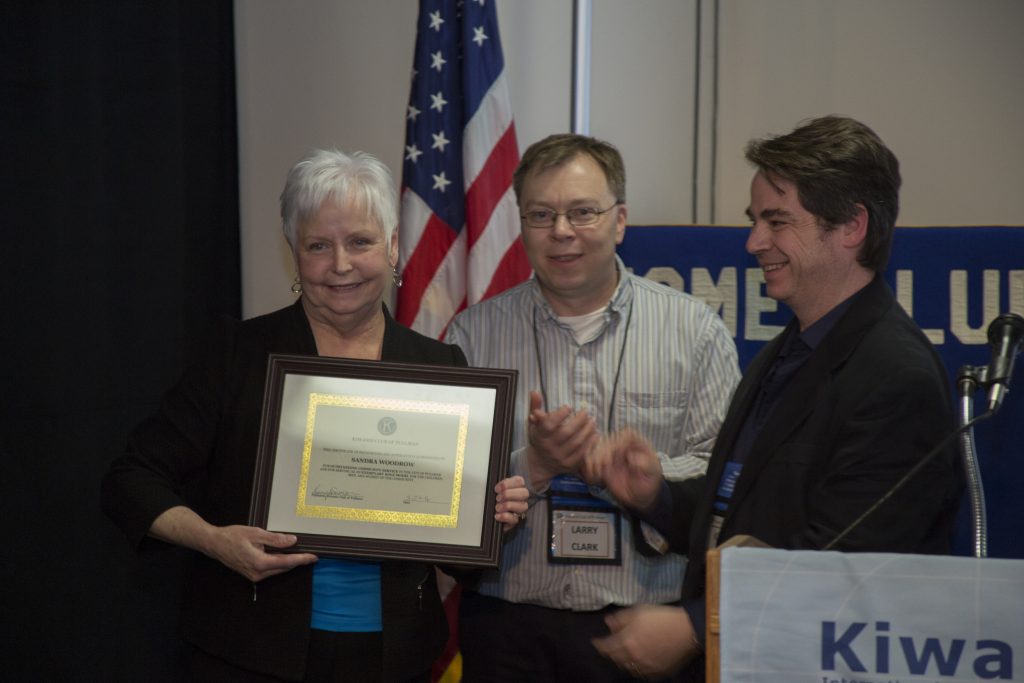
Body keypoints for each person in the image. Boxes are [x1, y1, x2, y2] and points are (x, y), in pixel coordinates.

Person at [101, 148, 528, 682]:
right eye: (319, 245)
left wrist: (493, 518)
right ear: (295, 254)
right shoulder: (239, 353)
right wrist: (215, 541)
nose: (341, 264)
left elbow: (462, 561)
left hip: (394, 658)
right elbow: (130, 481)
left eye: (360, 242)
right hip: (248, 653)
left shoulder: (438, 366)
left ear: (393, 246)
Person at [588, 115, 962, 680]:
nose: (753, 241)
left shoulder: (896, 378)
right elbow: (743, 511)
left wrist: (692, 625)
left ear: (852, 226)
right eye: (755, 220)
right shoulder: (787, 349)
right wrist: (657, 496)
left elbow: (846, 568)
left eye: (777, 221)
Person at [445, 133, 741, 682]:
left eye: (583, 212)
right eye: (541, 214)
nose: (561, 232)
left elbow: (731, 493)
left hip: (641, 633)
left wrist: (653, 489)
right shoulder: (471, 335)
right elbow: (446, 497)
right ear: (521, 225)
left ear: (620, 220)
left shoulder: (695, 332)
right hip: (507, 633)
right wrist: (531, 468)